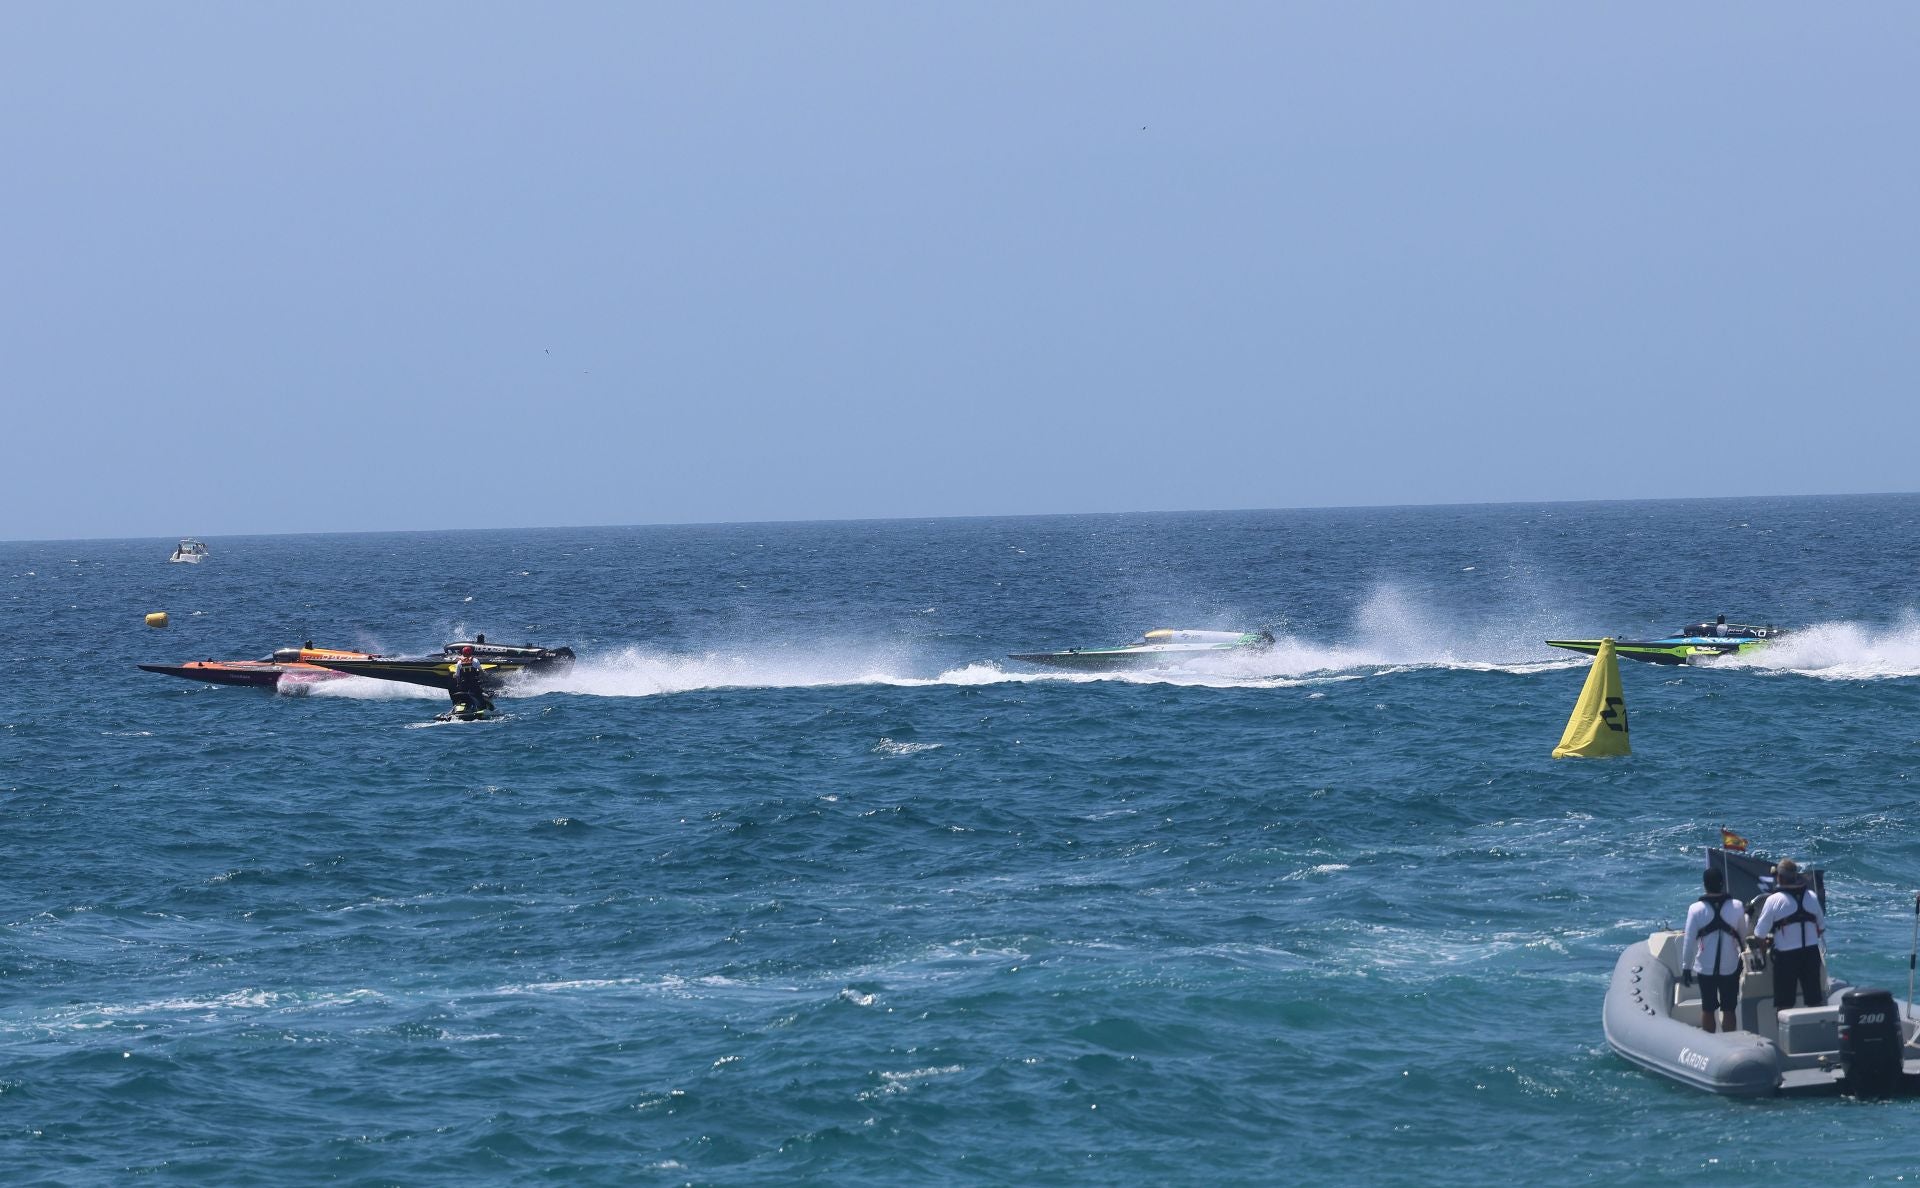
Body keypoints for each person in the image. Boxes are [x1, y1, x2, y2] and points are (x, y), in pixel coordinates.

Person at [1681, 866, 1748, 1033]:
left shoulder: (1695, 909)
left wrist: (1686, 968)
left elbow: (1689, 941)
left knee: (1708, 1008)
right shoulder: (1737, 906)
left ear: (1704, 885)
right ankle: (1730, 1042)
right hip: (1730, 966)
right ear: (1722, 884)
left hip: (1705, 967)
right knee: (1729, 1008)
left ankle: (1711, 1041)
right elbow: (1743, 936)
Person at [1753, 858, 1826, 1010]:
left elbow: (1759, 935)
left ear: (1779, 877)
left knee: (1784, 1005)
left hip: (1786, 958)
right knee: (1815, 1002)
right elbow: (1821, 928)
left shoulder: (1773, 900)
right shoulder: (1811, 896)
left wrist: (1764, 950)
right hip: (1811, 954)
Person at [449, 645, 494, 718]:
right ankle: (483, 707)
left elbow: (457, 675)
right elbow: (481, 671)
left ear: (463, 653)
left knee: (462, 695)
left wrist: (458, 683)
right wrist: (485, 677)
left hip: (463, 686)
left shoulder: (459, 663)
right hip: (474, 684)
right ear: (471, 653)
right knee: (480, 694)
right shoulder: (475, 660)